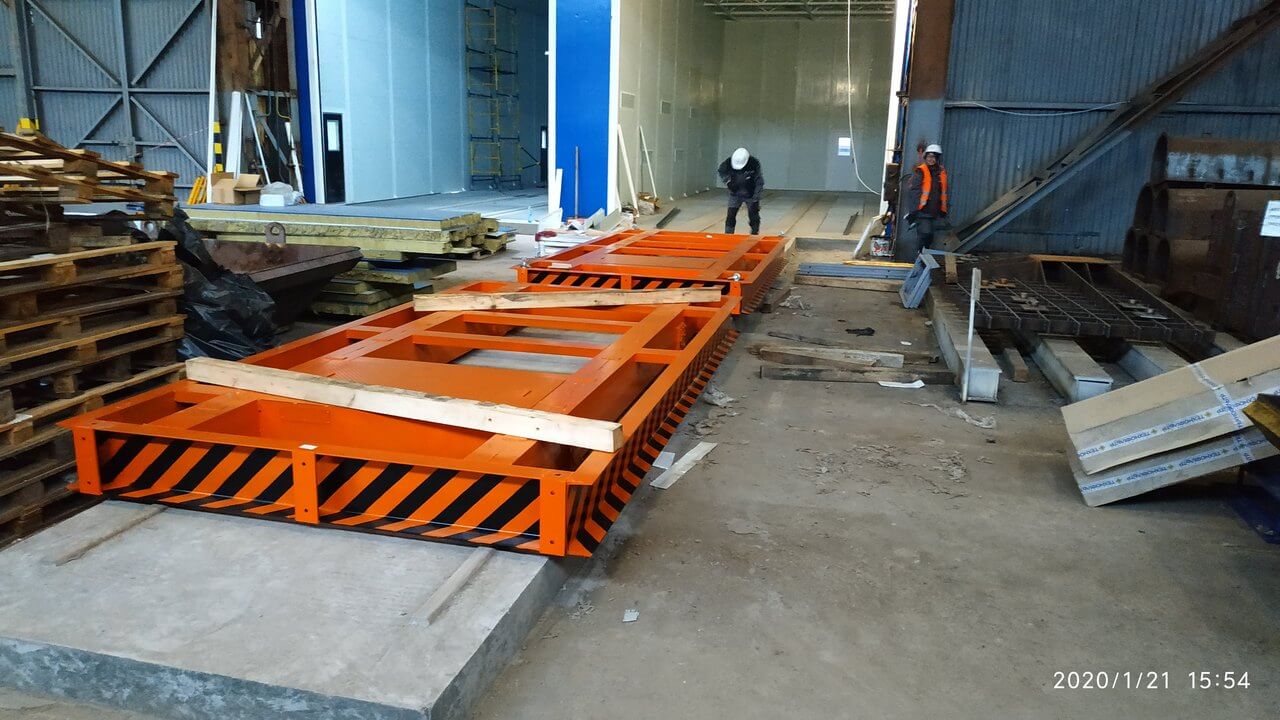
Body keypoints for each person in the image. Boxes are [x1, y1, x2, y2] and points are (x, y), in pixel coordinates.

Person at [905, 143, 949, 249]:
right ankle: (920, 255)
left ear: (937, 158)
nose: (931, 159)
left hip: (935, 211)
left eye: (934, 157)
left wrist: (943, 210)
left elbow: (943, 192)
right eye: (929, 156)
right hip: (923, 210)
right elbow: (914, 192)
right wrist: (913, 211)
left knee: (929, 237)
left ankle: (923, 254)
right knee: (925, 233)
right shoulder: (921, 171)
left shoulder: (941, 173)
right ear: (925, 157)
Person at [718, 147, 763, 234]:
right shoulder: (728, 163)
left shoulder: (753, 165)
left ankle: (754, 234)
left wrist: (756, 198)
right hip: (735, 193)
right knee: (731, 214)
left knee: (753, 215)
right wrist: (728, 181)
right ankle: (728, 235)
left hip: (751, 194)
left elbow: (759, 182)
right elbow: (721, 172)